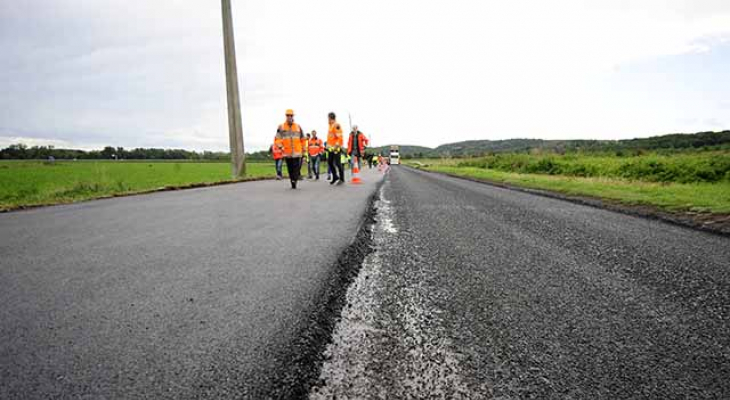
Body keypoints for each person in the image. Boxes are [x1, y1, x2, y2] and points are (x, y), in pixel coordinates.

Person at [275, 109, 305, 189]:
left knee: (296, 167)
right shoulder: (281, 127)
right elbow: (277, 138)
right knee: (290, 168)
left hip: (296, 151)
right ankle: (292, 181)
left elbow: (302, 138)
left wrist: (304, 148)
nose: (289, 117)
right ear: (286, 116)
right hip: (287, 151)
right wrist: (280, 146)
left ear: (293, 116)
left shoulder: (298, 127)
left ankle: (295, 180)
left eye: (291, 115)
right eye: (288, 115)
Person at [326, 112, 344, 185]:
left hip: (336, 148)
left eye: (328, 118)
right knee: (330, 162)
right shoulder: (330, 126)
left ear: (331, 118)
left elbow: (340, 137)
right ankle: (335, 177)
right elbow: (331, 137)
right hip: (331, 148)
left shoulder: (336, 125)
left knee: (338, 163)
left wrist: (336, 146)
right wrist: (327, 145)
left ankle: (342, 179)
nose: (328, 120)